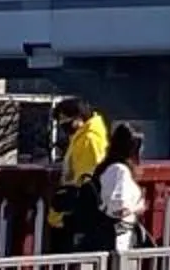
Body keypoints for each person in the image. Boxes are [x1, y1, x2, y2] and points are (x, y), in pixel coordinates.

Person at [49, 97, 110, 256]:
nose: (63, 125)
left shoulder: (89, 139)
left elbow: (88, 180)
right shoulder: (80, 137)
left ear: (79, 118)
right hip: (70, 212)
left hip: (75, 214)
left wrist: (69, 201)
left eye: (65, 121)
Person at [96, 124, 148, 256]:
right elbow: (119, 209)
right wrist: (138, 206)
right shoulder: (120, 171)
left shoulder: (107, 167)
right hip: (119, 240)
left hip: (109, 237)